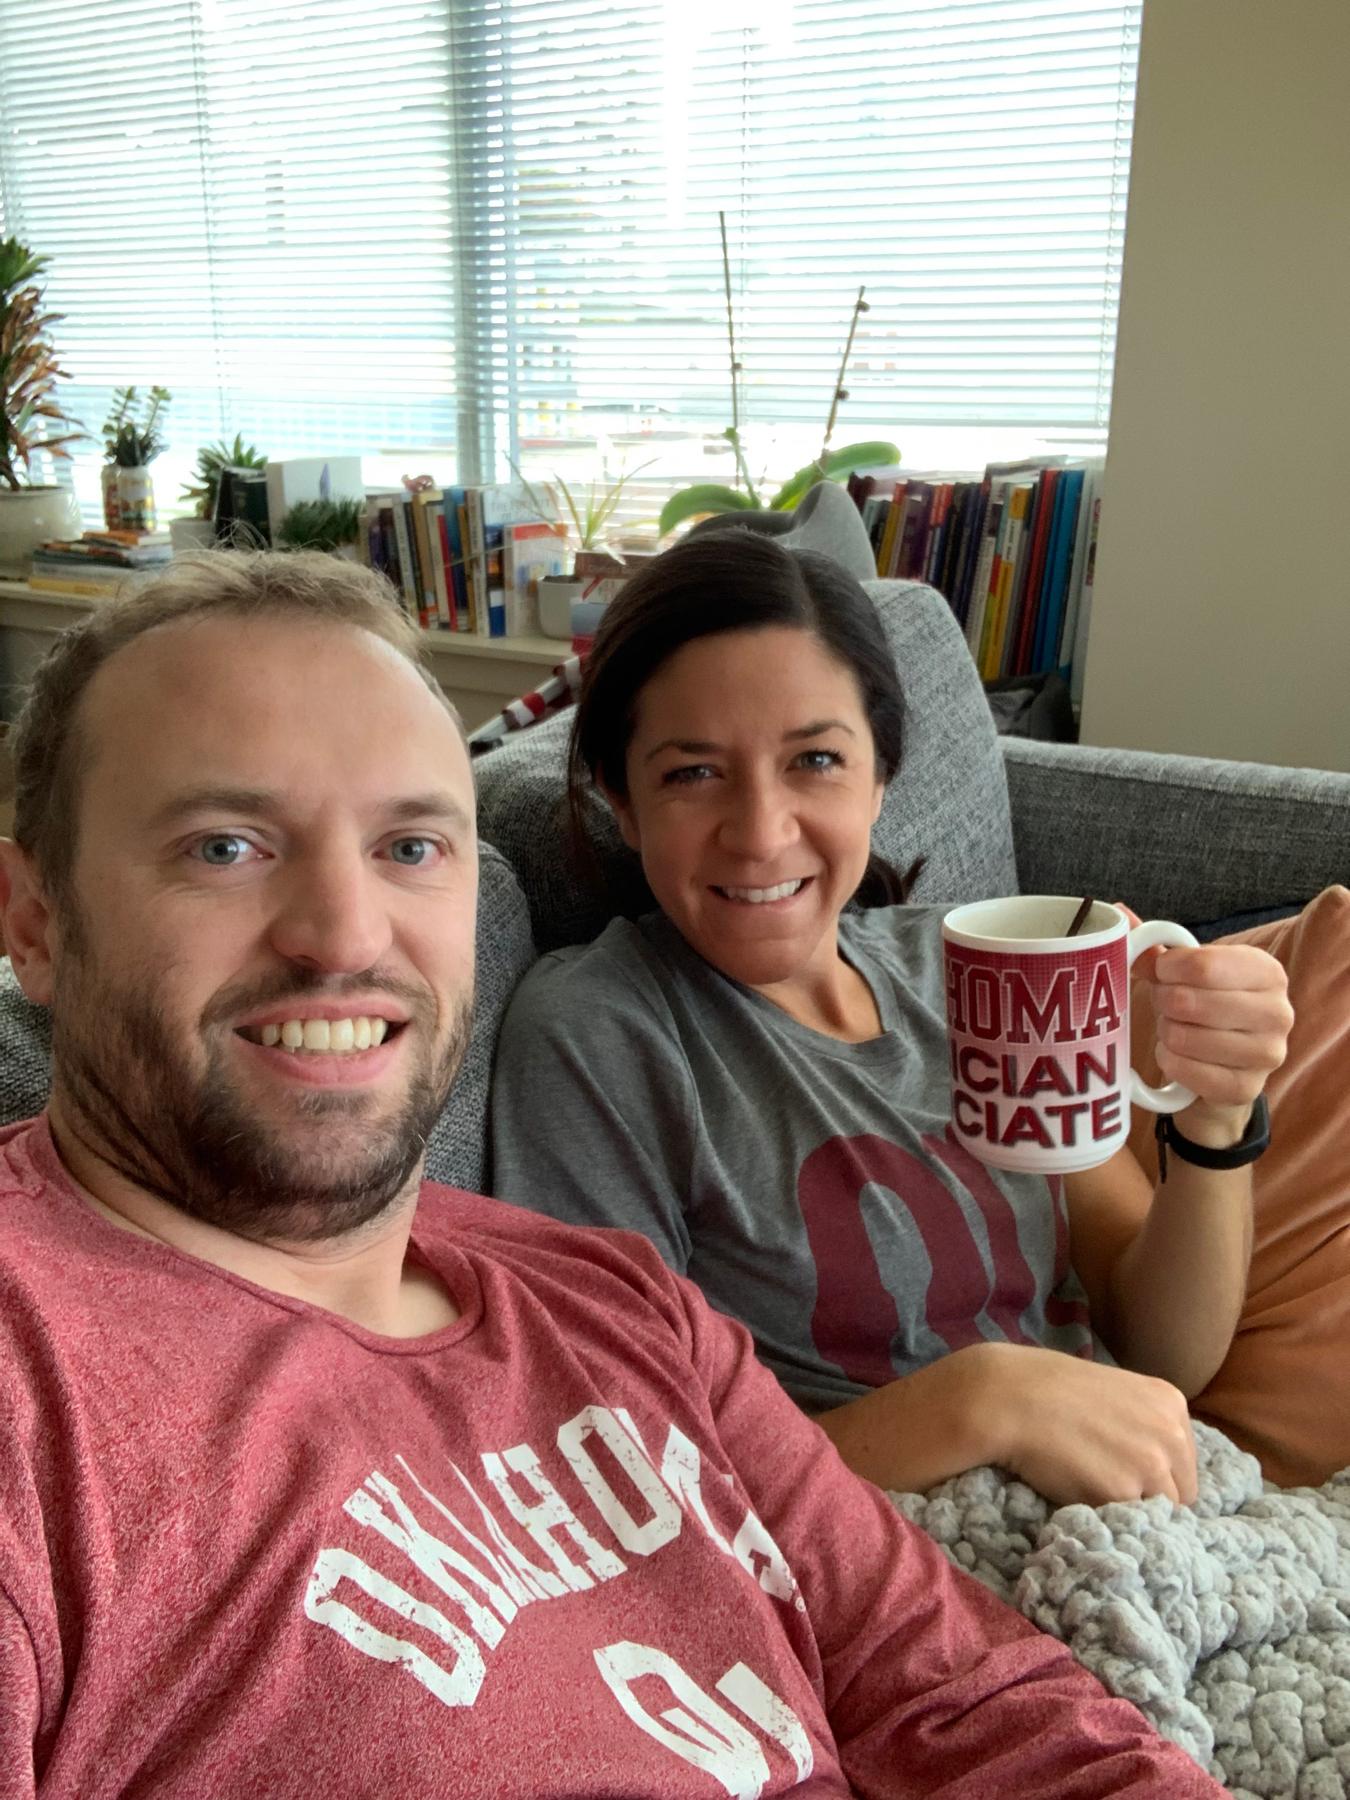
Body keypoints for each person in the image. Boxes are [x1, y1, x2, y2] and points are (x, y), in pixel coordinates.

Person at [0, 548, 1226, 1798]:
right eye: (225, 847)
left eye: (411, 847)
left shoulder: (612, 1300)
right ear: (33, 921)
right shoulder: (35, 1384)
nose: (345, 934)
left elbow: (971, 1693)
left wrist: (1218, 1121)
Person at [489, 529, 1294, 1506]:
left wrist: (1214, 1119)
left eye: (815, 760)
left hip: (1153, 1507)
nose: (760, 832)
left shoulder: (977, 971)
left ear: (882, 776)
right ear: (621, 796)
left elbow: (1161, 1347)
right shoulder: (598, 1035)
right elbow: (625, 1475)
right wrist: (981, 1402)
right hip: (896, 1576)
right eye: (692, 773)